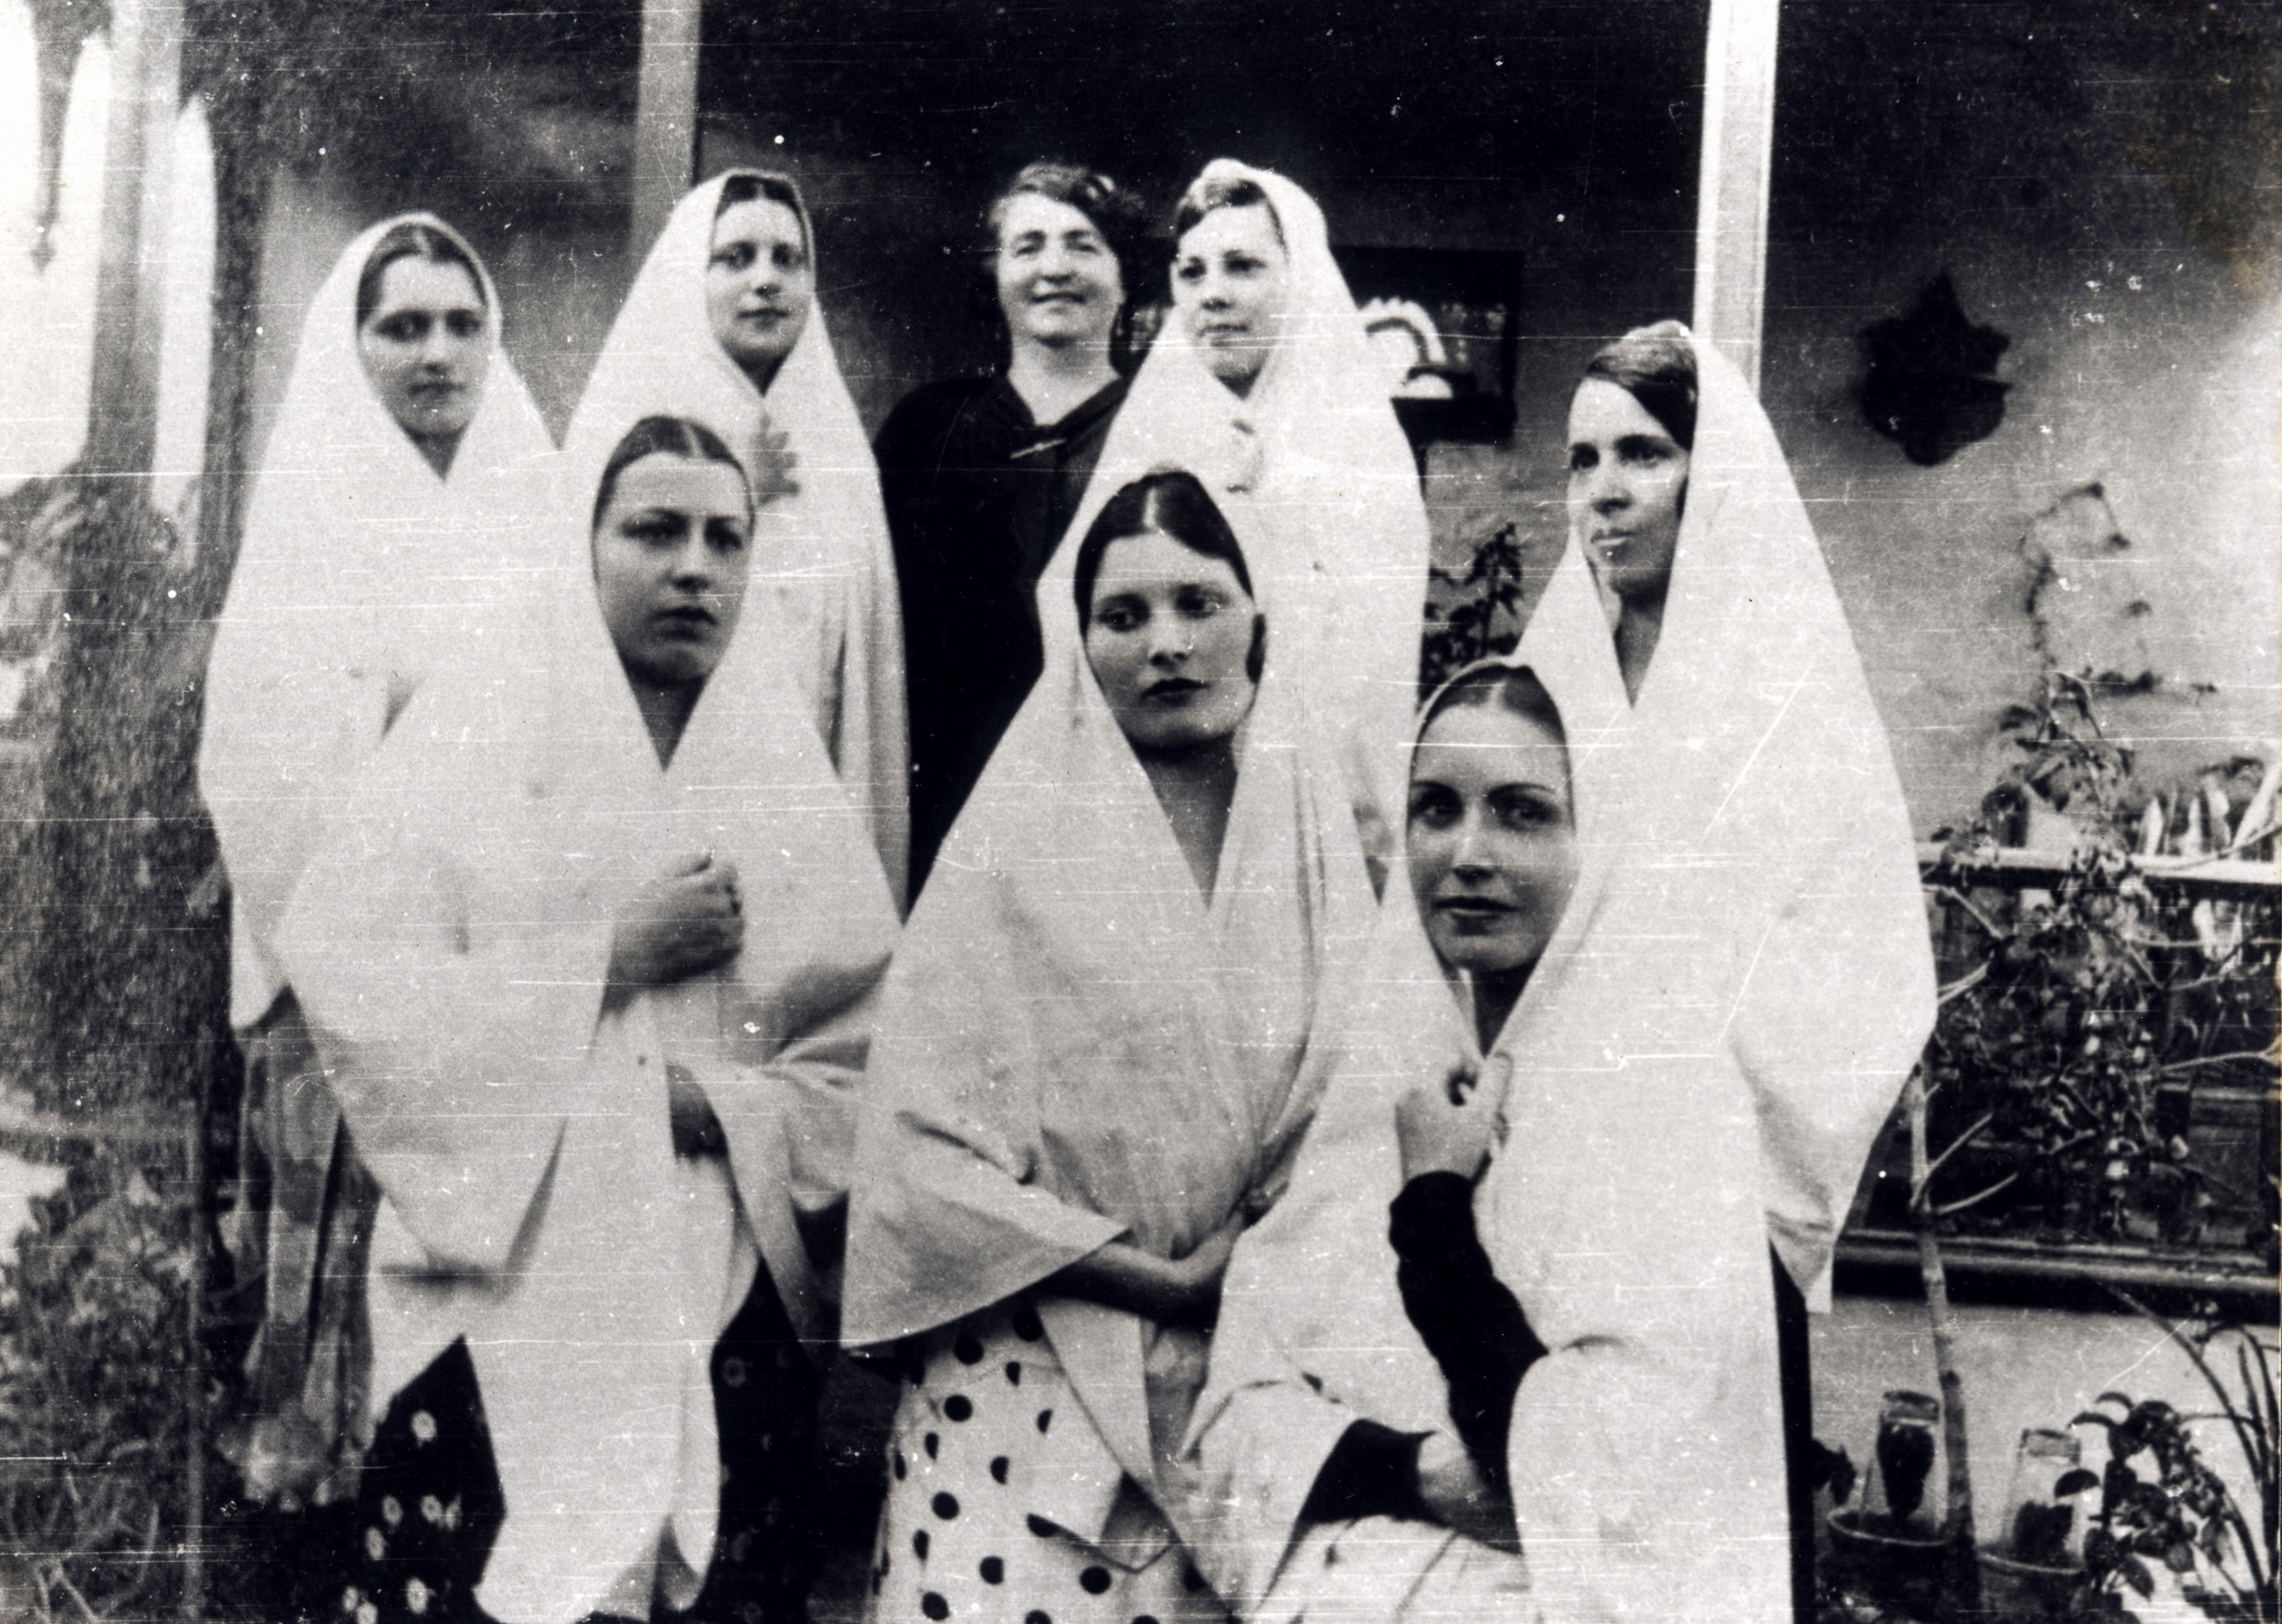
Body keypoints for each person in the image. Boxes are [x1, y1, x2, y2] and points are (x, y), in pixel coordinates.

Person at [277, 412, 900, 1624]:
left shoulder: (780, 764)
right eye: (654, 530)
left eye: (727, 536)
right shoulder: (477, 726)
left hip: (719, 1287)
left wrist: (710, 1102)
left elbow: (865, 1062)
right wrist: (601, 959)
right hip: (505, 1276)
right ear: (583, 543)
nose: (694, 567)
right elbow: (351, 972)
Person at [843, 470, 1375, 1624]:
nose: (1166, 644)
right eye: (1123, 616)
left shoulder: (1324, 859)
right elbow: (918, 1163)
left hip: (1256, 1376)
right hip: (1023, 1391)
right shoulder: (1008, 855)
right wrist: (1159, 1278)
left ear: (1260, 625)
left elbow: (1363, 1107)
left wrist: (1241, 1270)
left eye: (1199, 604)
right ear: (1077, 644)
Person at [1188, 658, 1790, 1624]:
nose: (1467, 852)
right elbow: (1231, 1422)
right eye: (1434, 808)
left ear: (1603, 841)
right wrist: (1412, 1473)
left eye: (1521, 812)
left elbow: (1605, 1480)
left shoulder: (1672, 1108)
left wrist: (1433, 1207)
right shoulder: (1390, 1086)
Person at [1513, 320, 1938, 1618]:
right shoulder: (1554, 677)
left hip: (1707, 1201)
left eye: (1645, 451)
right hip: (1542, 1189)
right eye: (1585, 458)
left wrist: (1706, 1136)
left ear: (1716, 473)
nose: (1607, 489)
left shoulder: (1783, 683)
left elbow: (1861, 949)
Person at [197, 213, 557, 1511]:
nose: (438, 351)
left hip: (494, 974)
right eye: (402, 325)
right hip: (343, 988)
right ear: (351, 345)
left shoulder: (532, 506)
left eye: (463, 323)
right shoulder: (311, 521)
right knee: (323, 1321)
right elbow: (260, 772)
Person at [1039, 161, 1430, 884]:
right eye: (1192, 272)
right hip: (1158, 808)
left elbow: (1368, 685)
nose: (1212, 294)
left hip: (1317, 823)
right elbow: (1070, 617)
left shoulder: (1363, 459)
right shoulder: (1148, 439)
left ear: (1298, 282)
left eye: (1243, 266)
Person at [568, 170, 909, 905]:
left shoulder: (835, 448)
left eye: (788, 259)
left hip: (801, 803)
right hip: (657, 792)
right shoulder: (621, 427)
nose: (766, 280)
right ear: (693, 274)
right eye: (736, 258)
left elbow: (862, 668)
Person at [875, 161, 1150, 893]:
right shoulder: (926, 430)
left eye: (1083, 245)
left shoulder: (1164, 428)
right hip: (948, 787)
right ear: (993, 276)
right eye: (1028, 246)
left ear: (1127, 279)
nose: (1054, 267)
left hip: (1111, 797)